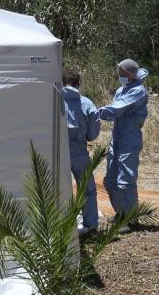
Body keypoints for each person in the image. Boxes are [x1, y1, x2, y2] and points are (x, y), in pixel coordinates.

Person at [99, 58, 149, 230]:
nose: (119, 76)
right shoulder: (121, 90)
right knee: (110, 181)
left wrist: (94, 113)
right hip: (117, 138)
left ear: (130, 74)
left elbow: (117, 109)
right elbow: (114, 113)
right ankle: (120, 213)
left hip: (129, 139)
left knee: (125, 181)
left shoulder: (138, 91)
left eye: (122, 73)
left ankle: (129, 218)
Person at [62, 69, 101, 235]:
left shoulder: (53, 101)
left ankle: (62, 228)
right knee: (87, 188)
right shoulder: (86, 103)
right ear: (79, 83)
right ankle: (91, 226)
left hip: (58, 152)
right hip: (79, 152)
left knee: (59, 190)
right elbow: (93, 134)